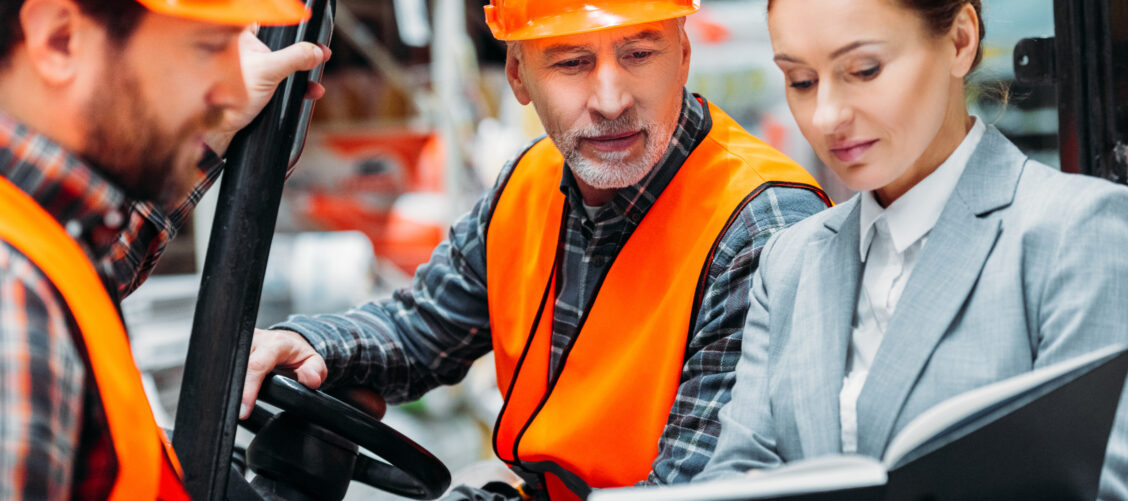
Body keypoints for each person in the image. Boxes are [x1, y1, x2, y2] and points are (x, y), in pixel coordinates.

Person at [238, 0, 830, 498]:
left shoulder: (760, 228)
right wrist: (310, 343)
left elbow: (695, 489)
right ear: (519, 76)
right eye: (572, 62)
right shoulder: (532, 180)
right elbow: (422, 331)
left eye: (639, 54)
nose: (611, 99)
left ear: (683, 55)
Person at [694, 0, 1128, 499]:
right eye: (801, 81)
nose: (827, 115)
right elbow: (735, 474)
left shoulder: (1079, 233)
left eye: (865, 69)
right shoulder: (790, 261)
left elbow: (1101, 489)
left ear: (960, 40)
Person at [0, 0, 329, 497]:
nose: (235, 88)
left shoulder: (39, 238)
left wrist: (211, 131)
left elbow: (90, 266)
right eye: (207, 48)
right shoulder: (14, 304)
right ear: (60, 40)